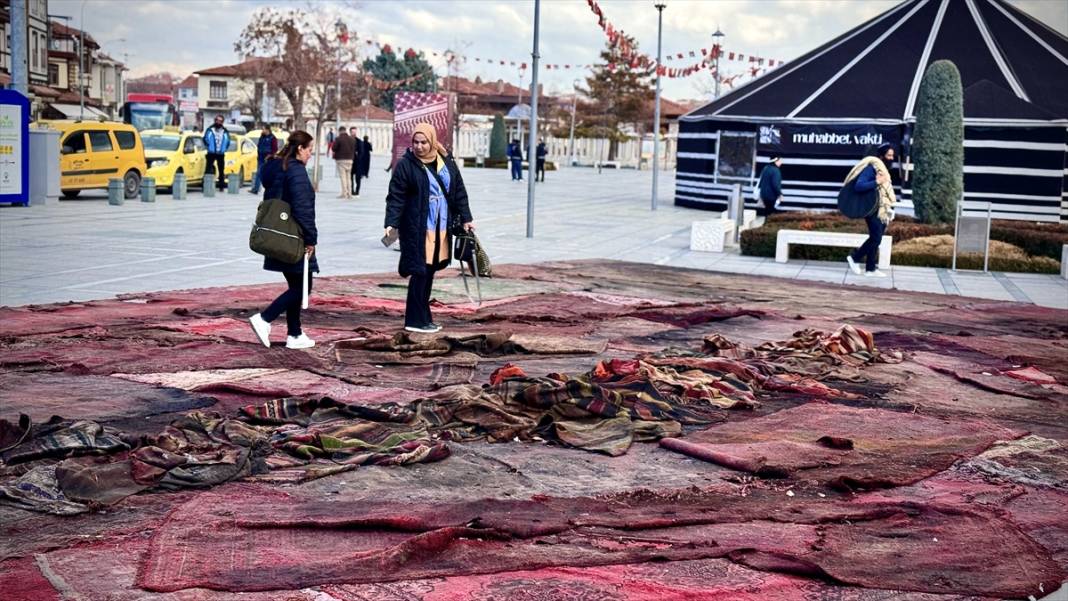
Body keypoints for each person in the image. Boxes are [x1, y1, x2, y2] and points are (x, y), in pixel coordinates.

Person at [384, 123, 474, 334]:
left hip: (441, 226)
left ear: (432, 141)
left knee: (430, 271)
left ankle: (424, 317)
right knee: (420, 271)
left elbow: (458, 190)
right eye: (416, 142)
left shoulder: (445, 161)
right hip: (417, 227)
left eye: (424, 142)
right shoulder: (406, 165)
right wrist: (391, 223)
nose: (419, 146)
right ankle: (414, 320)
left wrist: (466, 218)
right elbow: (396, 196)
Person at [248, 131, 319, 350]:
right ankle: (265, 318)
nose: (310, 155)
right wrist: (311, 239)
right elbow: (302, 207)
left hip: (278, 234)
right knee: (302, 287)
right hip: (293, 237)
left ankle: (295, 334)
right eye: (309, 151)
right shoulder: (296, 171)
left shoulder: (276, 166)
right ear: (300, 149)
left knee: (297, 284)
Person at [845, 143, 897, 278]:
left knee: (877, 239)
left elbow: (885, 192)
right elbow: (859, 186)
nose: (891, 158)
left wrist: (889, 208)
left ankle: (870, 269)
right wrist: (877, 182)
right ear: (881, 156)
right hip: (871, 209)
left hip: (882, 210)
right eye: (889, 155)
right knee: (875, 238)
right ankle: (855, 258)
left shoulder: (883, 171)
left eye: (892, 155)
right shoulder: (870, 169)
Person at [203, 115, 230, 191]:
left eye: (220, 121)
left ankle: (221, 186)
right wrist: (209, 146)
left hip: (220, 153)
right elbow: (205, 139)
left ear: (222, 122)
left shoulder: (225, 131)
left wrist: (224, 149)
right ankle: (206, 185)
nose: (218, 122)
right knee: (208, 169)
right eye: (217, 120)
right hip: (211, 152)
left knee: (221, 170)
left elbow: (228, 141)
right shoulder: (210, 129)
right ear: (215, 121)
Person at [249, 124, 278, 195]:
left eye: (264, 129)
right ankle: (255, 189)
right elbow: (259, 146)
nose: (263, 130)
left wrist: (269, 155)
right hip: (260, 158)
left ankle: (270, 188)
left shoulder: (272, 138)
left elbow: (275, 149)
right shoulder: (262, 137)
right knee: (259, 173)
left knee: (266, 174)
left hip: (267, 159)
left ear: (268, 130)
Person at [332, 126, 356, 199]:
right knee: (349, 177)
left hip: (341, 160)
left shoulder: (338, 139)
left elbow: (334, 148)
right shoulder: (352, 139)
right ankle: (350, 193)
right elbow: (354, 149)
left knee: (343, 177)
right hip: (350, 160)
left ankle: (344, 193)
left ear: (340, 131)